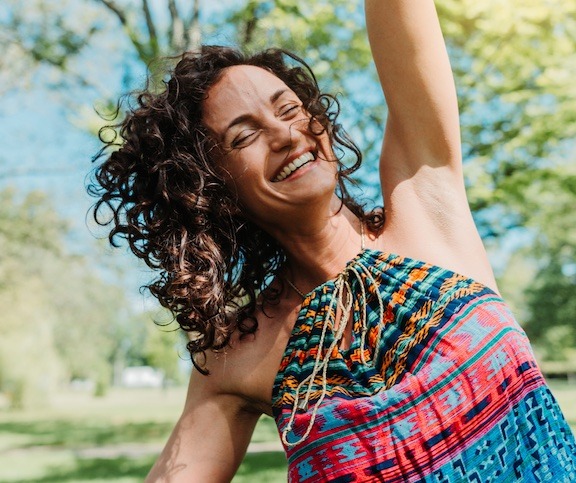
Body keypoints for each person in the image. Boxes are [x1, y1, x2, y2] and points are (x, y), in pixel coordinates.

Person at [90, 0, 576, 481]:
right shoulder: (236, 357)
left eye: (289, 109)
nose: (285, 134)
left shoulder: (424, 199)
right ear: (211, 191)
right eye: (244, 136)